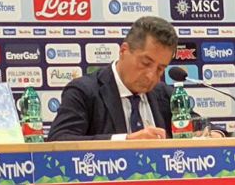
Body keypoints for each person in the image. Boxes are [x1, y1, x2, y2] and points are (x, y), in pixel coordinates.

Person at [47, 15, 177, 142]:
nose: (151, 76)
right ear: (123, 51)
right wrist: (125, 141)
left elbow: (188, 133)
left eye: (160, 69)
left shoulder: (167, 96)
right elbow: (58, 139)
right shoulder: (84, 92)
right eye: (145, 63)